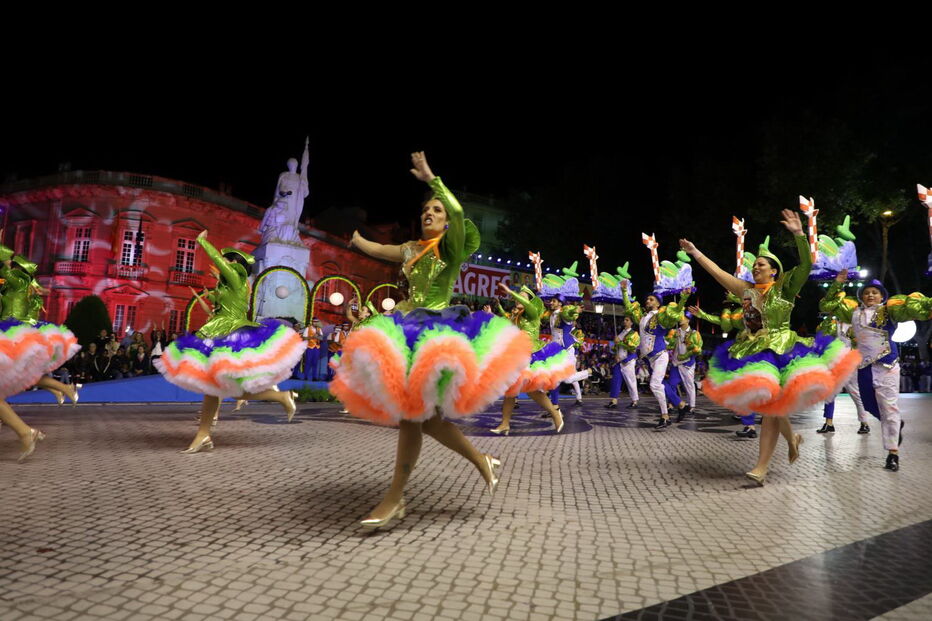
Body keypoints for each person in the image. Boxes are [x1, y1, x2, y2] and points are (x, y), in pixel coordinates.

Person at [331, 152, 531, 529]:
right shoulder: (410, 249)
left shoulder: (449, 248)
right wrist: (357, 238)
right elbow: (380, 250)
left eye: (435, 211)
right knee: (429, 421)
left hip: (436, 335)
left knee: (412, 416)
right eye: (426, 210)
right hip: (403, 327)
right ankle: (481, 460)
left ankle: (394, 498)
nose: (430, 213)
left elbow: (457, 213)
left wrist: (433, 181)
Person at [680, 209, 861, 485]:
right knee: (771, 406)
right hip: (754, 351)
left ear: (774, 270)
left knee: (770, 409)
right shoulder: (745, 290)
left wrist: (800, 234)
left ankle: (762, 466)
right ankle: (792, 438)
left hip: (783, 351)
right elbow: (716, 272)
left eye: (762, 264)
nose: (756, 267)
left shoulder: (785, 288)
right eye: (754, 265)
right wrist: (695, 253)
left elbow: (805, 264)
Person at [154, 231, 305, 452]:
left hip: (233, 334)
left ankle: (280, 396)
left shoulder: (237, 279)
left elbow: (217, 261)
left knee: (230, 389)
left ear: (236, 264)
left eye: (227, 260)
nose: (223, 262)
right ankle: (203, 435)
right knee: (212, 388)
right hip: (217, 330)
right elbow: (219, 301)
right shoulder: (227, 285)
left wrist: (203, 242)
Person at [820, 272, 932, 471]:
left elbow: (915, 308)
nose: (870, 295)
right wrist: (837, 284)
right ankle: (895, 423)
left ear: (882, 297)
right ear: (861, 296)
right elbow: (827, 305)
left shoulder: (890, 311)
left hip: (887, 366)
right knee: (870, 405)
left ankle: (892, 453)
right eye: (867, 293)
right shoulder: (852, 312)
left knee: (889, 408)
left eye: (875, 293)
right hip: (864, 368)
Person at [0, 249, 80, 461]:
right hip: (12, 334)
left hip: (11, 336)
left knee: (22, 376)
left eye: (13, 267)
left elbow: (5, 272)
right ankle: (61, 391)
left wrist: (4, 257)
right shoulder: (16, 286)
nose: (9, 269)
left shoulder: (17, 282)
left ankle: (26, 431)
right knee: (21, 377)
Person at [490, 282, 573, 435]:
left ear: (529, 299)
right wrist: (492, 313)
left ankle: (555, 414)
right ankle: (505, 424)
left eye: (521, 296)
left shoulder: (533, 312)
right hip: (516, 355)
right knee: (511, 390)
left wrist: (509, 290)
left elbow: (527, 304)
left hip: (530, 355)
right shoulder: (517, 317)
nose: (517, 299)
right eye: (517, 297)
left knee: (531, 390)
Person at [620, 281, 689, 430]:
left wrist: (683, 298)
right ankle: (681, 405)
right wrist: (624, 291)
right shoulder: (643, 318)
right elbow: (628, 308)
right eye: (647, 299)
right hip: (650, 359)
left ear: (658, 303)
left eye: (651, 299)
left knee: (654, 385)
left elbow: (676, 311)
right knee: (661, 385)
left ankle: (665, 417)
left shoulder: (661, 316)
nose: (647, 301)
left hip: (660, 355)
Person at [813, 313, 870, 435]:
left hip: (849, 364)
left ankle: (864, 423)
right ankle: (829, 423)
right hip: (834, 363)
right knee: (829, 394)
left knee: (855, 393)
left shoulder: (855, 325)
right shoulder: (833, 324)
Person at [663, 312, 703, 421]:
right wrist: (672, 339)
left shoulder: (695, 333)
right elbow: (667, 346)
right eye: (680, 317)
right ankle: (671, 404)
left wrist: (688, 351)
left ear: (688, 320)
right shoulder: (674, 331)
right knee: (671, 384)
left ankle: (692, 406)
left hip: (687, 363)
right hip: (676, 364)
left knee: (689, 385)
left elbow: (698, 350)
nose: (681, 319)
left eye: (683, 317)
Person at [606, 315, 639, 408]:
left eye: (627, 320)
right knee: (615, 379)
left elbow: (632, 348)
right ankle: (614, 400)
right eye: (624, 320)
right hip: (618, 360)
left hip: (628, 360)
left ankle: (634, 401)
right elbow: (616, 347)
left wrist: (618, 342)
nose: (625, 321)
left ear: (631, 323)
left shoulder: (634, 334)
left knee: (630, 381)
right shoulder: (621, 333)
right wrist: (615, 351)